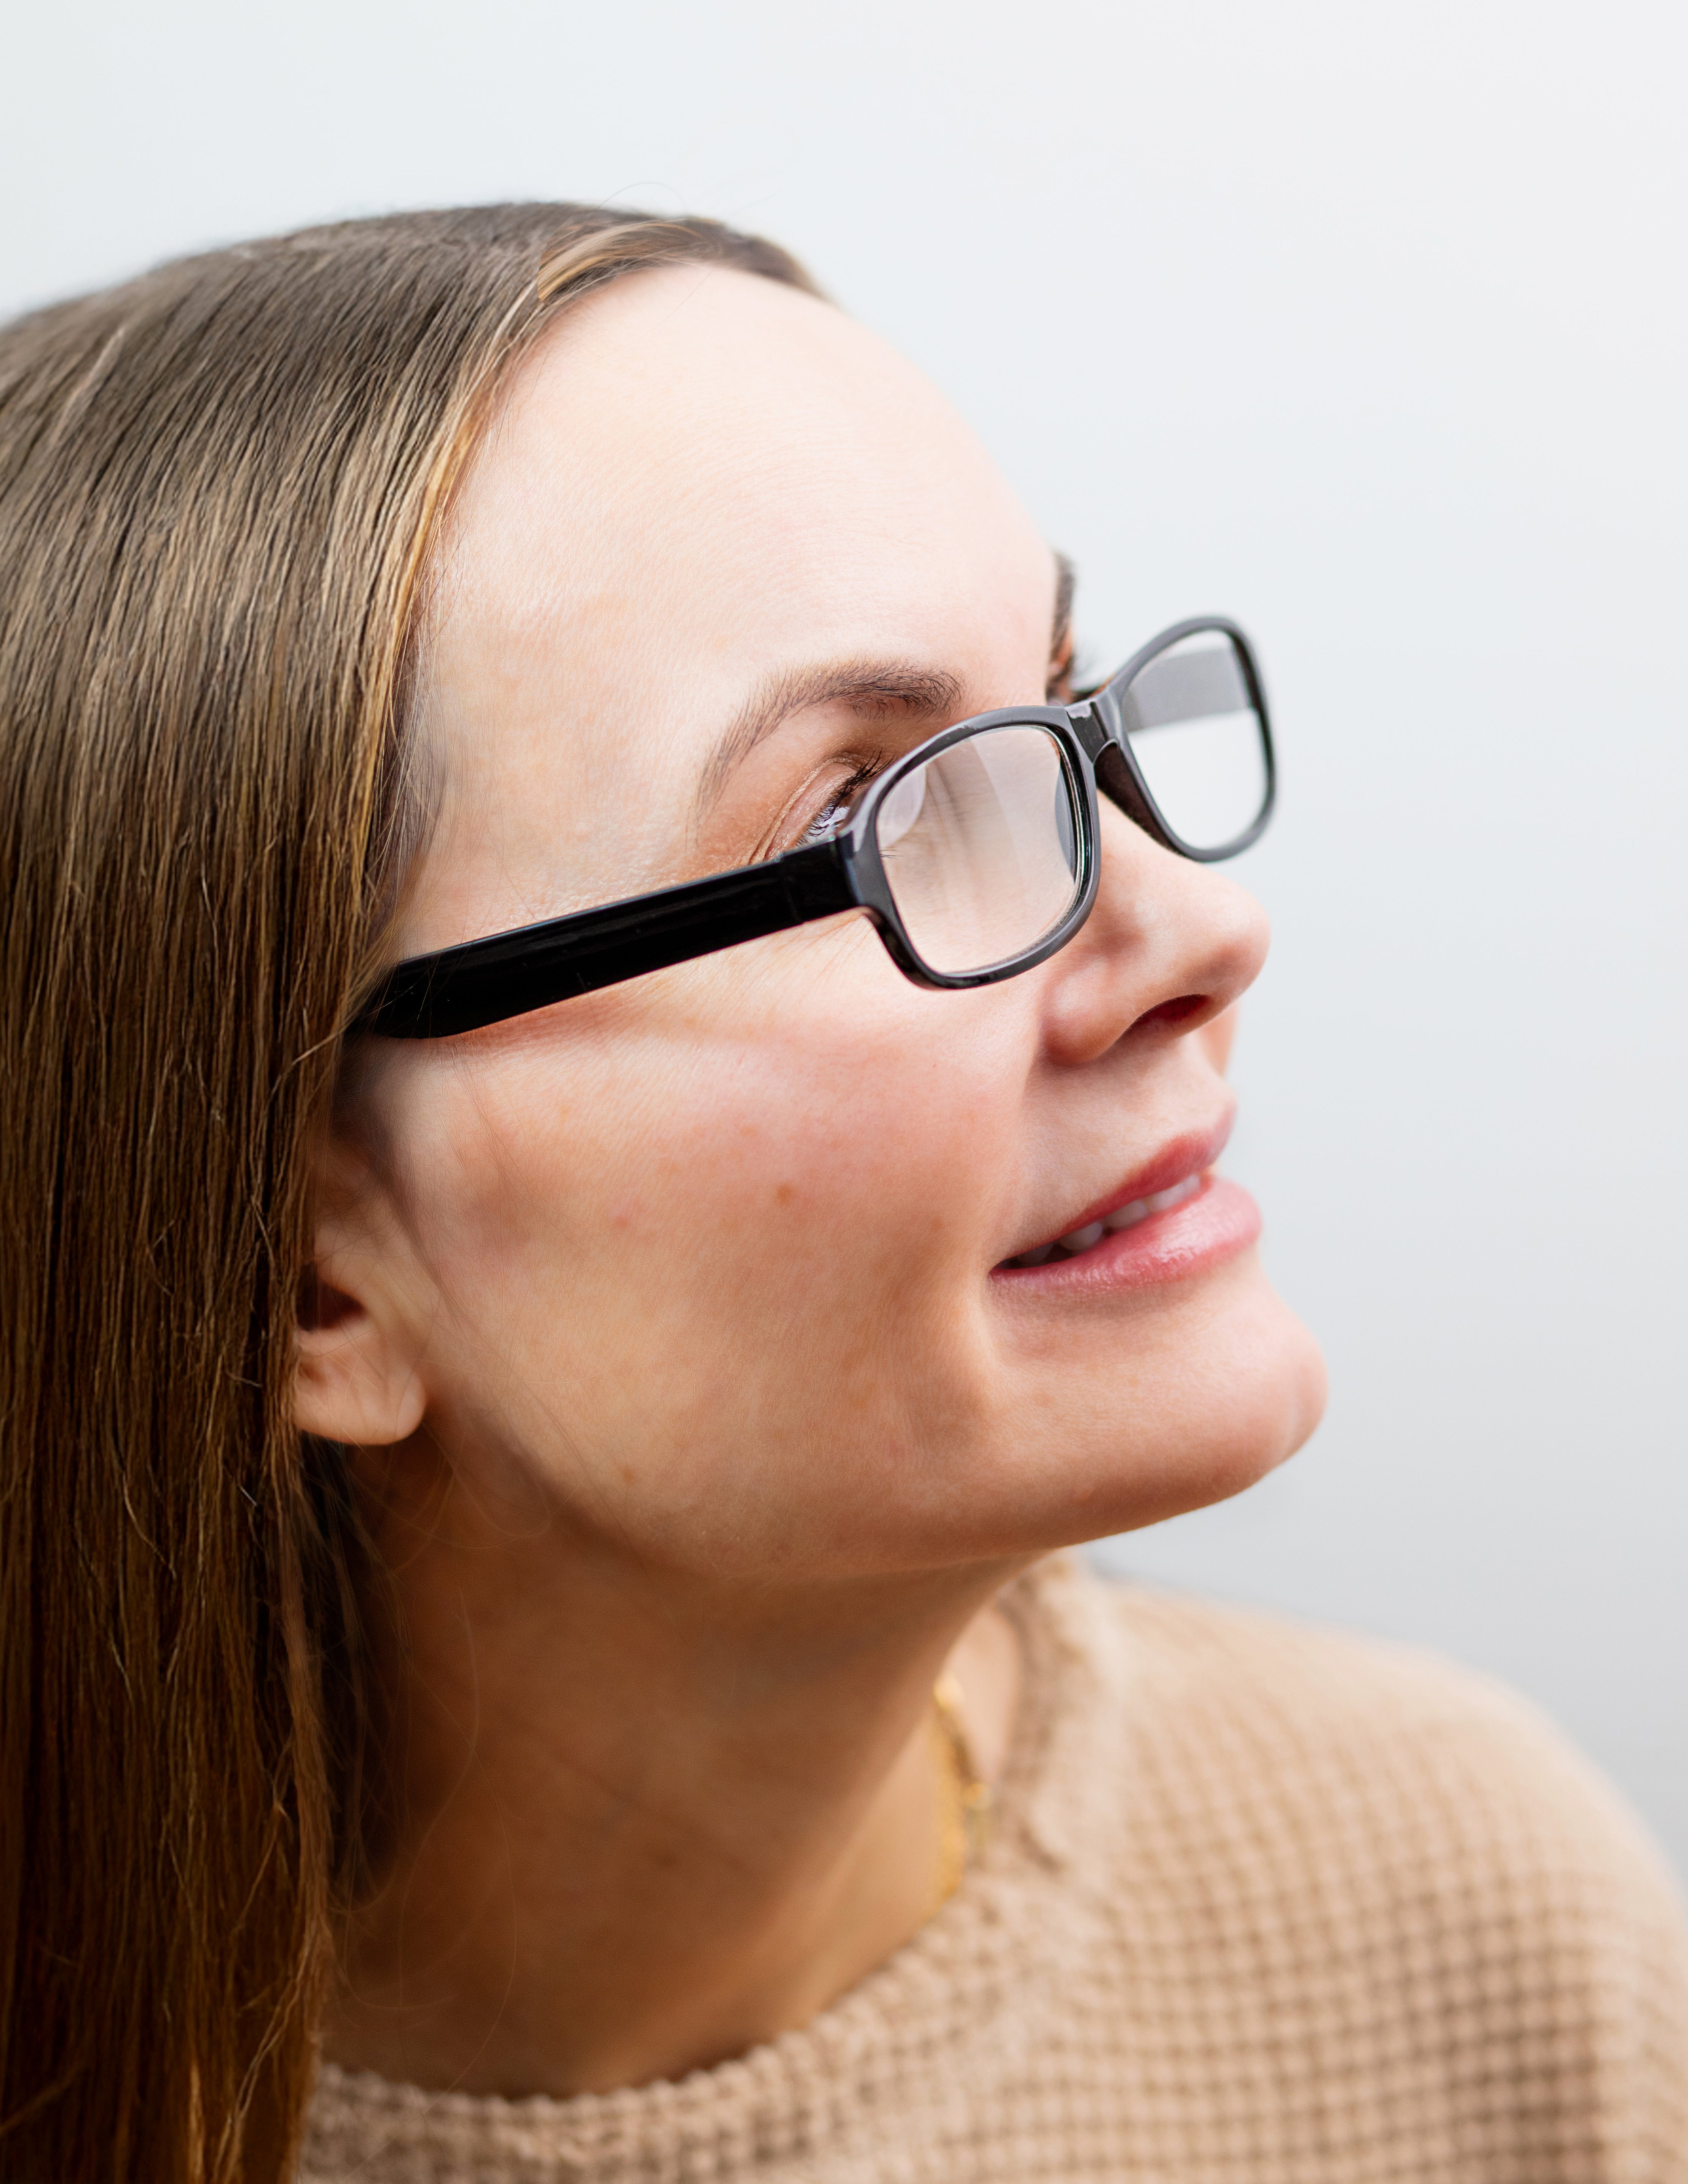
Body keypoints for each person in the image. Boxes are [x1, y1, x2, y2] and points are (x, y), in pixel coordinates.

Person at [0, 203, 1682, 2184]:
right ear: (299, 1284)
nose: (1199, 930)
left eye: (1062, 715)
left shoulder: (1467, 1929)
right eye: (873, 814)